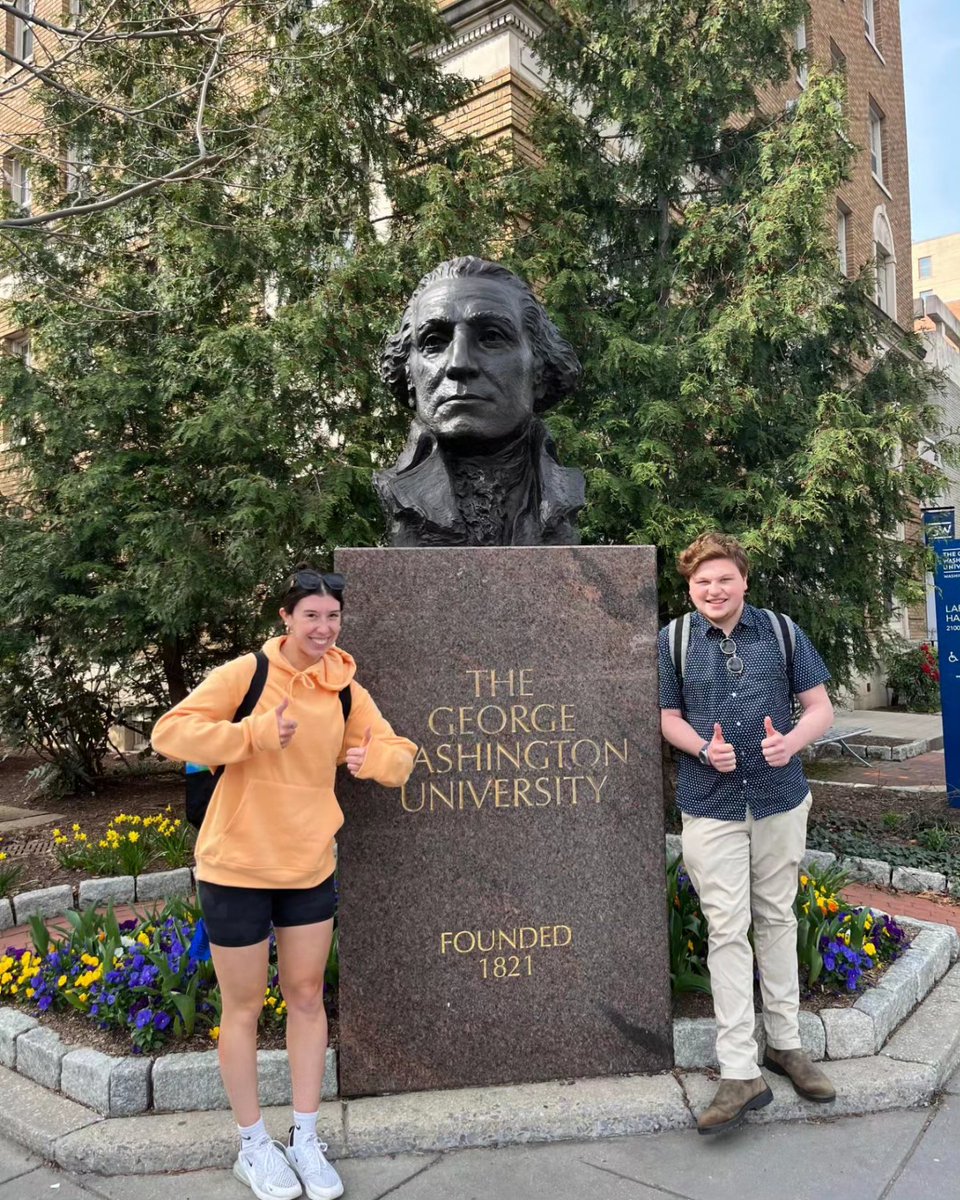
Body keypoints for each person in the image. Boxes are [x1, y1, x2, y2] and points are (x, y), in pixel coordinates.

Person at [152, 568, 416, 1200]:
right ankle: (253, 1144)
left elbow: (400, 752)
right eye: (311, 617)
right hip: (235, 866)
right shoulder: (249, 674)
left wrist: (371, 759)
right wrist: (251, 734)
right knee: (242, 1008)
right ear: (285, 618)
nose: (323, 630)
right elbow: (171, 732)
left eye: (333, 618)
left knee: (305, 998)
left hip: (308, 866)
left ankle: (305, 1137)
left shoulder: (344, 688)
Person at [658, 533, 836, 1135]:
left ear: (743, 582)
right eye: (702, 582)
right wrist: (703, 750)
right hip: (711, 806)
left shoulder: (782, 631)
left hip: (780, 799)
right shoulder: (674, 640)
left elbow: (819, 707)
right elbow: (667, 718)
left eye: (724, 579)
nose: (713, 590)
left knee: (778, 917)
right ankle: (739, 1069)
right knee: (727, 928)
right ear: (691, 588)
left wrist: (792, 741)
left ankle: (786, 1045)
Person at [375, 256, 585, 546]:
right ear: (409, 375)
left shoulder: (561, 493)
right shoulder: (397, 493)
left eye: (490, 337)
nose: (459, 364)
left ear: (539, 369)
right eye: (434, 342)